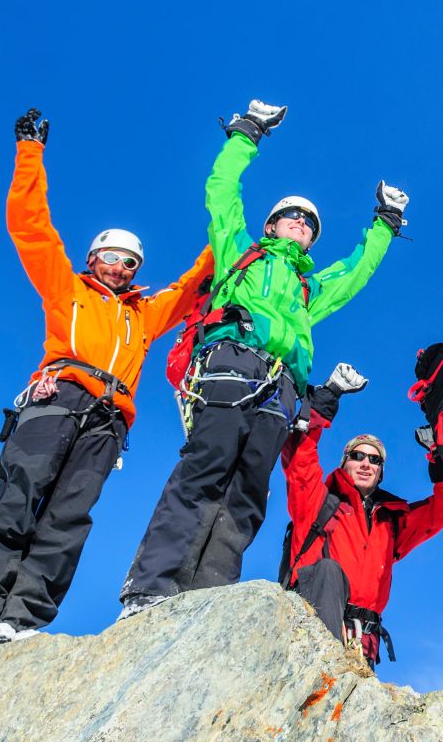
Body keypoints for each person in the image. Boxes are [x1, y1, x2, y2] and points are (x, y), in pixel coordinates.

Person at [0, 108, 213, 656]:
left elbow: (193, 284)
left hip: (109, 420)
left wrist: (230, 233)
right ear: (92, 258)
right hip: (59, 398)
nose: (120, 267)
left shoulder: (144, 313)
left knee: (69, 518)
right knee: (18, 497)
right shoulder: (69, 290)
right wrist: (29, 154)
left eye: (130, 262)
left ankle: (21, 620)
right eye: (111, 257)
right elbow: (31, 230)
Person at [118, 99, 408, 617]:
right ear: (272, 225)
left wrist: (385, 222)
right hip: (232, 365)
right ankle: (150, 587)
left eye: (310, 224)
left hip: (283, 389)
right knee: (204, 470)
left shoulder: (307, 287)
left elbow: (355, 273)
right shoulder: (240, 254)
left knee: (249, 491)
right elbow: (222, 194)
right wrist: (247, 133)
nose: (301, 224)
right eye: (292, 217)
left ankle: (205, 600)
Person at [278, 363, 443, 667]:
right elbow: (299, 458)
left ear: (380, 472)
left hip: (362, 643)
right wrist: (326, 399)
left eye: (374, 460)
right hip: (310, 630)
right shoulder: (318, 502)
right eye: (357, 456)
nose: (365, 463)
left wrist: (441, 458)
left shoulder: (389, 522)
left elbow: (441, 511)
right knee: (328, 571)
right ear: (344, 462)